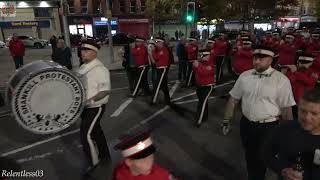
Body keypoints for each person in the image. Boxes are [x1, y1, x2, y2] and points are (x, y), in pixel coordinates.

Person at [222, 46, 296, 180]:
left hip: (268, 127)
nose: (256, 61)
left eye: (261, 59)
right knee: (249, 155)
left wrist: (288, 135)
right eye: (255, 58)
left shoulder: (281, 80)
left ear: (271, 60)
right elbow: (234, 99)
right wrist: (226, 119)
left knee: (262, 157)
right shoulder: (245, 76)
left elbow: (286, 109)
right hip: (246, 124)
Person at [264, 89, 320, 180]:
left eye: (314, 113)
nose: (306, 118)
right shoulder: (285, 128)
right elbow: (266, 153)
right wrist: (282, 169)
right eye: (303, 111)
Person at [78, 41, 111, 171]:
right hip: (85, 107)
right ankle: (104, 154)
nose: (82, 53)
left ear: (94, 53)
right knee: (96, 131)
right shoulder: (83, 67)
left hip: (95, 107)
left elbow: (105, 91)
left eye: (86, 51)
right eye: (82, 50)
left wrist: (89, 101)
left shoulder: (100, 69)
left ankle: (93, 162)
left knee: (85, 134)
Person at [193, 50, 214, 127]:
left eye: (201, 56)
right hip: (199, 85)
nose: (199, 57)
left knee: (202, 103)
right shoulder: (201, 63)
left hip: (207, 86)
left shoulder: (210, 64)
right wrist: (196, 66)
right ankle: (205, 116)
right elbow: (196, 72)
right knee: (202, 101)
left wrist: (198, 66)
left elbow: (204, 72)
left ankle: (199, 120)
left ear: (207, 56)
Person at [151, 38, 171, 105]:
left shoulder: (163, 50)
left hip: (162, 69)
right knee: (164, 86)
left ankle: (153, 100)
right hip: (160, 68)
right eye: (156, 42)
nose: (156, 44)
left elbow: (155, 57)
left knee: (157, 85)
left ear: (161, 43)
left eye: (158, 42)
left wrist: (153, 51)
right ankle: (168, 100)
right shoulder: (160, 50)